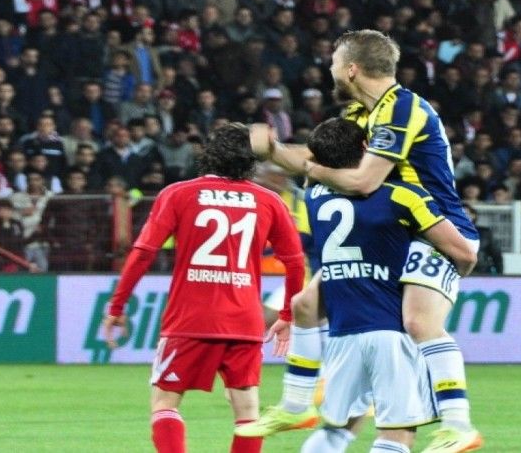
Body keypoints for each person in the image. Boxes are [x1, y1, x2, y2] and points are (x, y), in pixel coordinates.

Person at [243, 29, 482, 453]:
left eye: (335, 62)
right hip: (392, 230)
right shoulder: (360, 113)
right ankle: (296, 406)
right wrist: (272, 148)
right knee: (304, 304)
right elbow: (315, 157)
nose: (331, 69)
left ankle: (459, 425)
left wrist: (310, 172)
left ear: (351, 69)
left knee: (418, 322)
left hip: (436, 229)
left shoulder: (403, 108)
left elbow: (363, 180)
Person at [102, 123, 306, 453]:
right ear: (250, 160)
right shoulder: (269, 200)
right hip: (244, 321)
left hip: (189, 319)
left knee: (165, 403)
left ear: (209, 153)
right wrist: (287, 315)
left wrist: (117, 306)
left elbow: (142, 253)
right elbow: (295, 263)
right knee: (248, 413)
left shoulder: (178, 193)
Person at [293, 118, 477, 453]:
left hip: (342, 335)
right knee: (396, 435)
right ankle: (457, 421)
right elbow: (463, 253)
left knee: (337, 430)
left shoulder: (314, 196)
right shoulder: (402, 196)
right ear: (367, 148)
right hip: (390, 329)